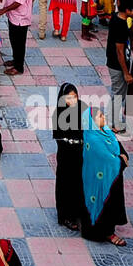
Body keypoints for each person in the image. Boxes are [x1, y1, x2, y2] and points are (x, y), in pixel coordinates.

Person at [81, 106, 129, 246]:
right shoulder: (93, 139)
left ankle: (109, 230)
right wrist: (121, 159)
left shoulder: (106, 131)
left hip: (111, 177)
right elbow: (108, 160)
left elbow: (117, 146)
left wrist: (123, 156)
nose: (103, 118)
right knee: (104, 204)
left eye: (103, 115)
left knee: (112, 204)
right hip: (100, 181)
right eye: (100, 116)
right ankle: (106, 233)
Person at [53, 83, 85, 231]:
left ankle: (78, 211)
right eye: (69, 98)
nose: (72, 101)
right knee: (66, 184)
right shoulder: (59, 114)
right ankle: (66, 216)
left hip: (81, 153)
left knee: (80, 182)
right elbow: (59, 137)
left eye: (75, 97)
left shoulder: (82, 107)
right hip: (67, 155)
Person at [105, 0, 133, 134]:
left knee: (120, 93)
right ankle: (113, 123)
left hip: (117, 63)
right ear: (128, 10)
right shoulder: (119, 24)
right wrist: (126, 72)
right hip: (117, 65)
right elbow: (120, 51)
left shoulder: (118, 19)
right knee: (118, 94)